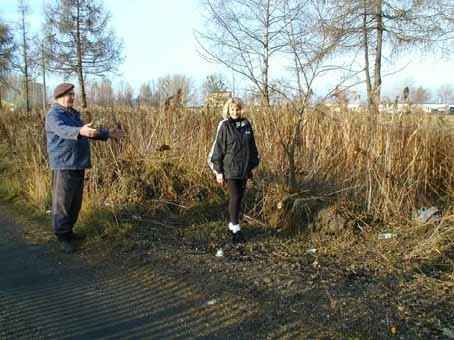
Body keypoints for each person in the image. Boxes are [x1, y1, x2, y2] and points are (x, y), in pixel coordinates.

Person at [45, 83, 126, 253]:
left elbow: (86, 131)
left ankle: (70, 231)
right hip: (63, 163)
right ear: (59, 96)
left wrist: (108, 134)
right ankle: (62, 237)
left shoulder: (74, 114)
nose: (73, 97)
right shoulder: (54, 115)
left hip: (78, 162)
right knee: (63, 202)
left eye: (73, 94)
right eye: (69, 95)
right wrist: (80, 131)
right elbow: (63, 130)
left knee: (75, 201)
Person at [208, 97, 259, 243]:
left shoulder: (247, 125)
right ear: (228, 110)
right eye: (232, 109)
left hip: (243, 168)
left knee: (238, 198)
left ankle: (231, 224)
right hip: (229, 168)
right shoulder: (224, 126)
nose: (235, 112)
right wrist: (218, 171)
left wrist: (253, 164)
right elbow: (218, 149)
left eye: (237, 109)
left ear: (241, 109)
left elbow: (252, 147)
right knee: (235, 196)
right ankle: (236, 229)